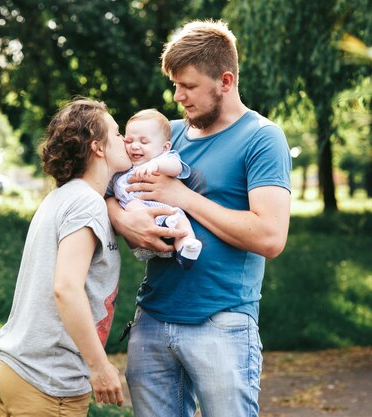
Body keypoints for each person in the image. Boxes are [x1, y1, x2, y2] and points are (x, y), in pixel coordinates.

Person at [106, 20, 292, 417]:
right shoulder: (163, 136)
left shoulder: (262, 138)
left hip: (221, 322)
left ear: (225, 80)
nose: (177, 97)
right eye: (175, 85)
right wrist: (123, 221)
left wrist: (183, 197)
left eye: (188, 86)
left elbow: (271, 237)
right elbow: (102, 185)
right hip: (152, 318)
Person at [0, 98, 130, 416]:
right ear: (98, 147)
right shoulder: (86, 203)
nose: (124, 141)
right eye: (117, 133)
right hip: (46, 380)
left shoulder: (62, 197)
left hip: (13, 367)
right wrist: (100, 367)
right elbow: (66, 288)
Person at [110, 109, 202, 269]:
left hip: (167, 212)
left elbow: (176, 167)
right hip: (141, 228)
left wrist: (156, 165)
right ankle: (165, 227)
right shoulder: (122, 165)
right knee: (133, 207)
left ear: (165, 147)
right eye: (129, 140)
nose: (135, 146)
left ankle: (186, 250)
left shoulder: (163, 158)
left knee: (182, 221)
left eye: (144, 142)